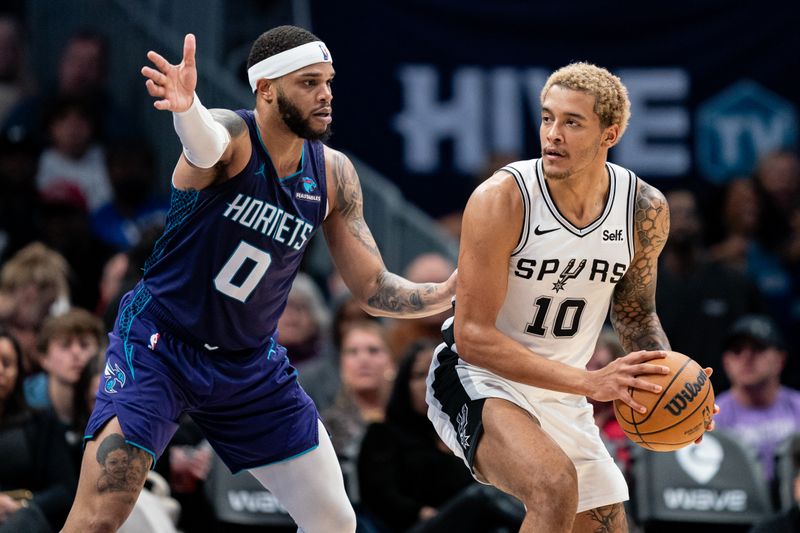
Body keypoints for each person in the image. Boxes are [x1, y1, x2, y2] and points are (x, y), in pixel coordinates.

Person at [61, 25, 456, 533]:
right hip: (162, 346)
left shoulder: (333, 174)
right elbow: (206, 144)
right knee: (101, 516)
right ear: (266, 88)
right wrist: (186, 112)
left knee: (335, 522)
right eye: (309, 82)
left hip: (248, 364)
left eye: (329, 82)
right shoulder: (233, 135)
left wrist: (445, 293)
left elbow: (373, 289)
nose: (326, 95)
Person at [425, 62, 716, 533]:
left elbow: (636, 314)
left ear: (610, 133)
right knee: (554, 487)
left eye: (572, 122)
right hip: (479, 377)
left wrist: (672, 383)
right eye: (546, 118)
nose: (552, 134)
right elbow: (473, 337)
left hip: (565, 392)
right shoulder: (502, 198)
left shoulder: (644, 209)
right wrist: (591, 384)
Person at [359, 339, 524, 532]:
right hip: (419, 527)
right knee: (484, 495)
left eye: (436, 373)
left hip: (471, 525)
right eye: (419, 375)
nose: (428, 383)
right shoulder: (383, 434)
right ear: (403, 384)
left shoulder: (464, 432)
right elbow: (378, 496)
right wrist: (420, 512)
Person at [714, 315, 800, 484]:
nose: (746, 358)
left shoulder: (797, 406)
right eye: (737, 350)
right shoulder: (712, 416)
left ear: (780, 360)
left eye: (758, 348)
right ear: (726, 362)